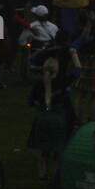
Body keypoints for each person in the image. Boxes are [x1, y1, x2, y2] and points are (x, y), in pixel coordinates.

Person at [28, 50, 81, 181]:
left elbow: (30, 101)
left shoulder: (39, 84)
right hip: (58, 118)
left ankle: (42, 172)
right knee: (58, 148)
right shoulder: (62, 81)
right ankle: (56, 174)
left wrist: (40, 105)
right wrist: (74, 54)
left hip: (42, 118)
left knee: (43, 148)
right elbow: (78, 71)